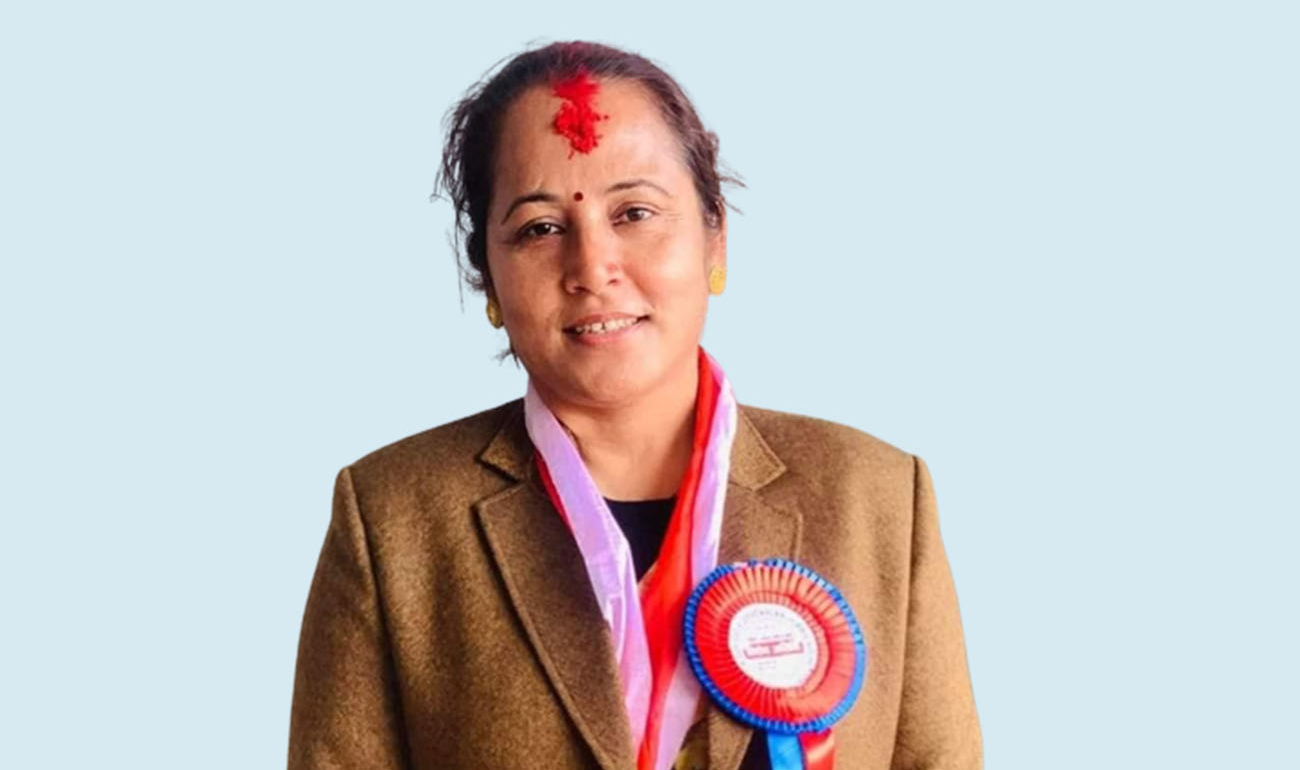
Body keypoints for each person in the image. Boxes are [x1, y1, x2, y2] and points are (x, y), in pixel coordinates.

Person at [287, 40, 982, 770]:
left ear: (716, 239)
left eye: (636, 212)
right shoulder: (392, 521)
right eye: (540, 228)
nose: (593, 268)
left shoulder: (879, 499)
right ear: (487, 276)